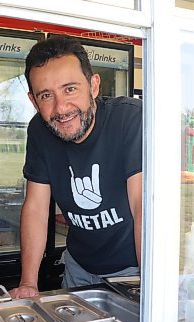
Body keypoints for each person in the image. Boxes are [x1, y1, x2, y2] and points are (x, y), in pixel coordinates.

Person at [10, 36, 142, 298]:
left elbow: (142, 208)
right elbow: (36, 208)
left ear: (93, 85)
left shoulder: (129, 118)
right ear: (34, 101)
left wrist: (150, 285)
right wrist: (28, 283)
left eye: (70, 89)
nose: (61, 108)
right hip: (78, 266)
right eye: (46, 95)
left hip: (133, 269)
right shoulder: (39, 130)